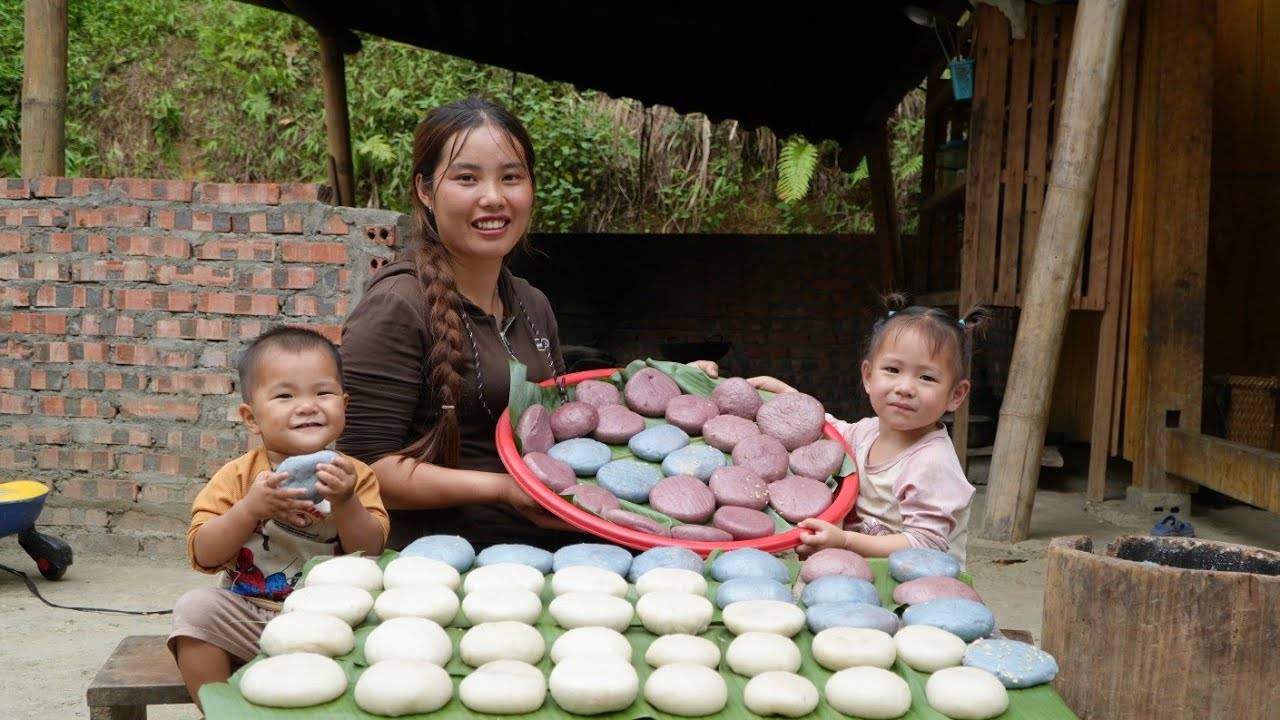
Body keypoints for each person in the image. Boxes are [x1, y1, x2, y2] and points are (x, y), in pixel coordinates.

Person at [337, 95, 588, 551]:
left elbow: (557, 428)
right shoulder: (398, 305)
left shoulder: (532, 304)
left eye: (511, 177)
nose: (493, 197)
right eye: (467, 178)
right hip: (434, 563)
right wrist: (502, 489)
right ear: (425, 190)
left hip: (541, 554)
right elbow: (362, 470)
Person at [168, 326, 388, 707]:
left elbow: (371, 553)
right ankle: (222, 712)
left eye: (323, 393)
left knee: (395, 625)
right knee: (194, 610)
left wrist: (346, 501)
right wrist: (249, 509)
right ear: (251, 417)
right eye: (285, 395)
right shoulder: (238, 477)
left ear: (344, 405)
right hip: (253, 615)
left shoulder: (354, 476)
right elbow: (203, 553)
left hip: (336, 619)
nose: (307, 406)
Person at [736, 294, 985, 566]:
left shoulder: (932, 463)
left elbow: (925, 545)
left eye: (926, 377)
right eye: (892, 369)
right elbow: (823, 430)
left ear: (956, 395)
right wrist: (787, 397)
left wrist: (845, 541)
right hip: (864, 574)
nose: (904, 388)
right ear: (868, 376)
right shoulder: (866, 433)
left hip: (922, 583)